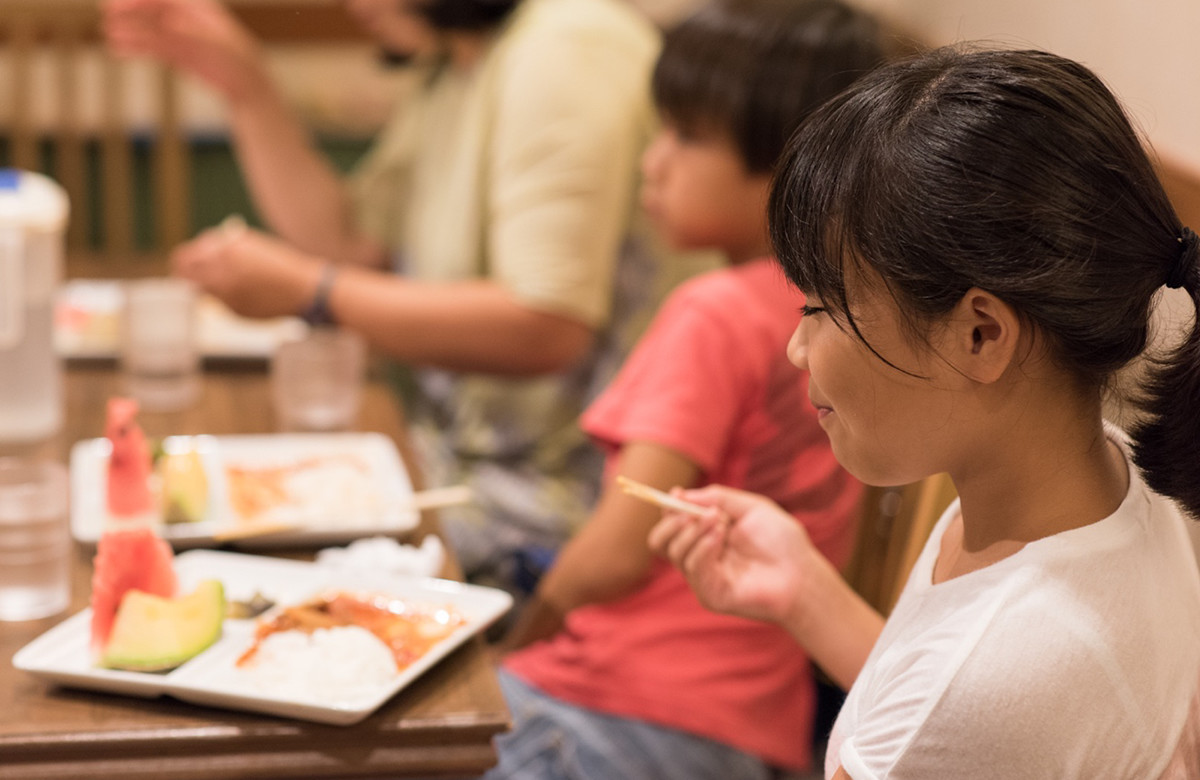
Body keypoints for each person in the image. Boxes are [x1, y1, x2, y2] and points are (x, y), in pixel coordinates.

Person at [649, 46, 1200, 778]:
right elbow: (940, 705)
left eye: (820, 306)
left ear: (981, 335)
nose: (796, 348)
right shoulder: (1114, 483)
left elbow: (955, 708)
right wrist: (804, 591)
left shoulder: (996, 678)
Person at [104, 0, 693, 593]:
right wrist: (245, 85)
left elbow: (545, 325)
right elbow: (350, 240)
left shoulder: (566, 50)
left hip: (559, 499)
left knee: (256, 575)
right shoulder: (459, 59)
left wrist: (312, 291)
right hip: (453, 457)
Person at [488, 2, 883, 777]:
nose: (653, 162)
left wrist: (519, 639)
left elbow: (614, 553)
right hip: (753, 726)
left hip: (612, 710)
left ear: (792, 166)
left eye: (686, 136)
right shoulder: (844, 307)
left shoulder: (714, 312)